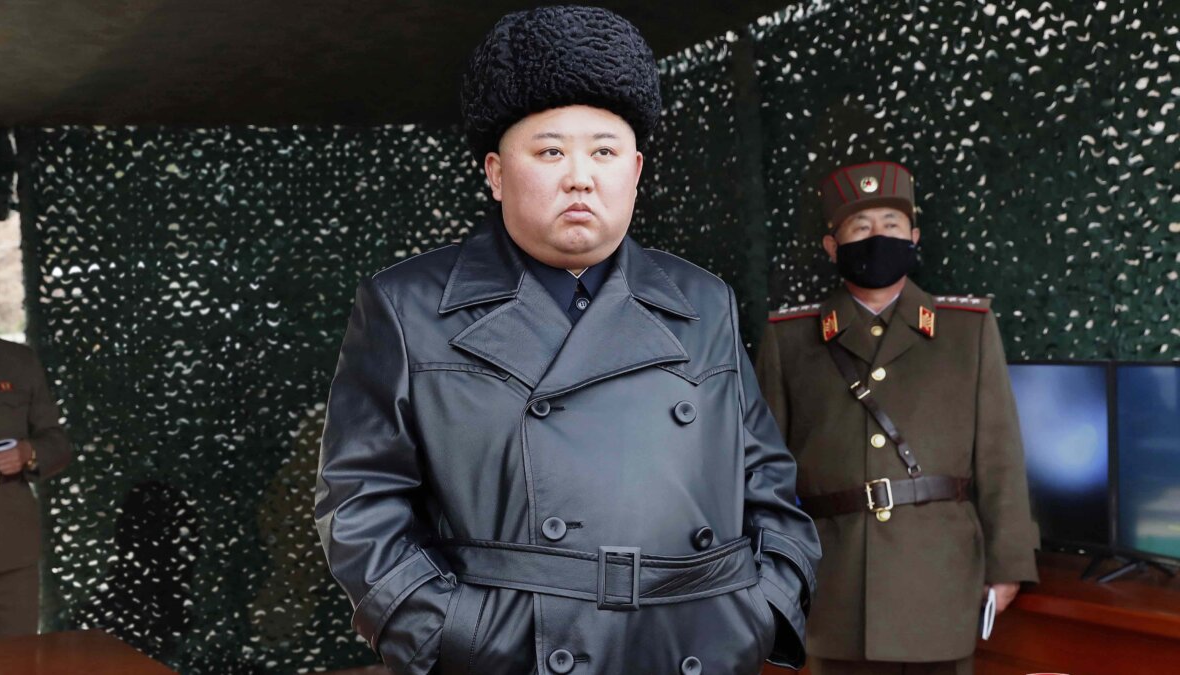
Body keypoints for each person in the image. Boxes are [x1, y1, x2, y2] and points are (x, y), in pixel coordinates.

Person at [315, 7, 820, 675]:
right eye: (550, 151)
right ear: (496, 173)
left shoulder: (704, 301)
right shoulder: (407, 306)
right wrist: (454, 634)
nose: (580, 176)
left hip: (692, 647)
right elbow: (359, 502)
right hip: (512, 653)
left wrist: (762, 608)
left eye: (604, 152)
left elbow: (767, 482)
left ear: (635, 170)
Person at [754, 161, 1039, 675]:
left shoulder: (967, 330)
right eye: (859, 227)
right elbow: (764, 472)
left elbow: (1000, 456)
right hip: (836, 587)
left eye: (890, 224)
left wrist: (1009, 562)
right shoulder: (789, 337)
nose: (877, 237)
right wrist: (772, 568)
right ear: (832, 246)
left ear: (914, 237)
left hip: (940, 579)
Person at [0, 240, 73, 638]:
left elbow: (58, 443)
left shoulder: (18, 362)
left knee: (14, 659)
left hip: (7, 550)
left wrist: (28, 453)